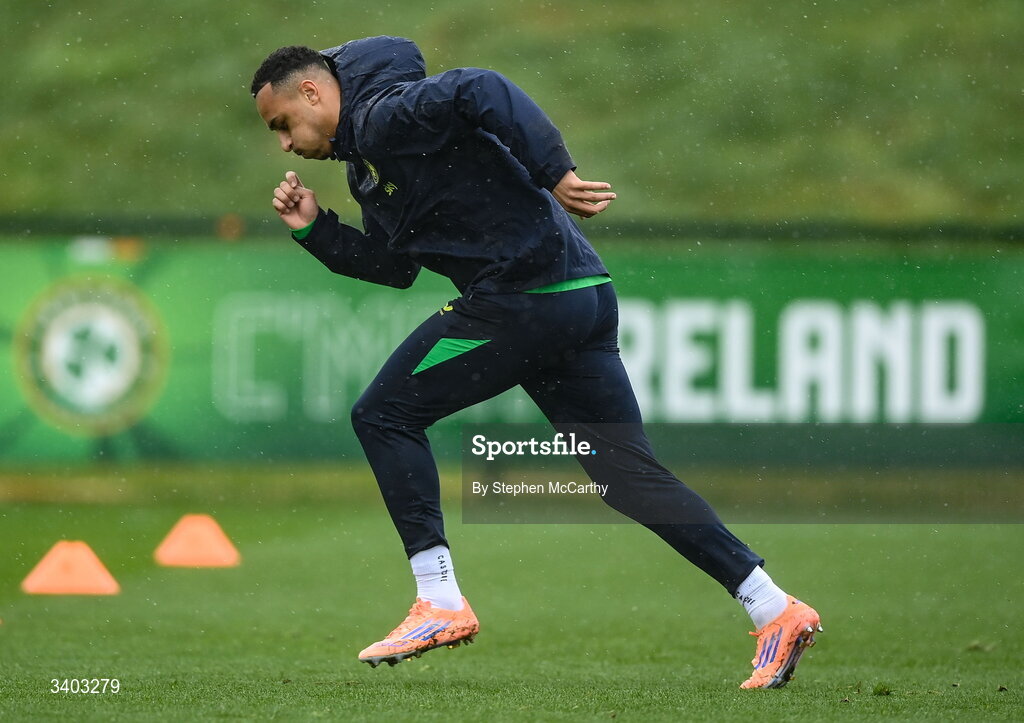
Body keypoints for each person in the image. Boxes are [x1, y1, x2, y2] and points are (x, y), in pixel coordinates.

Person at [250, 36, 821, 689]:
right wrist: (315, 228)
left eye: (283, 125)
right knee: (626, 477)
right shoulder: (367, 165)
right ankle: (774, 606)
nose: (285, 145)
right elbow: (396, 266)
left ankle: (438, 599)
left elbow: (481, 89)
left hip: (520, 299)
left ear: (316, 94)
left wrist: (555, 169)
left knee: (383, 414)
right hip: (578, 296)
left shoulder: (384, 114)